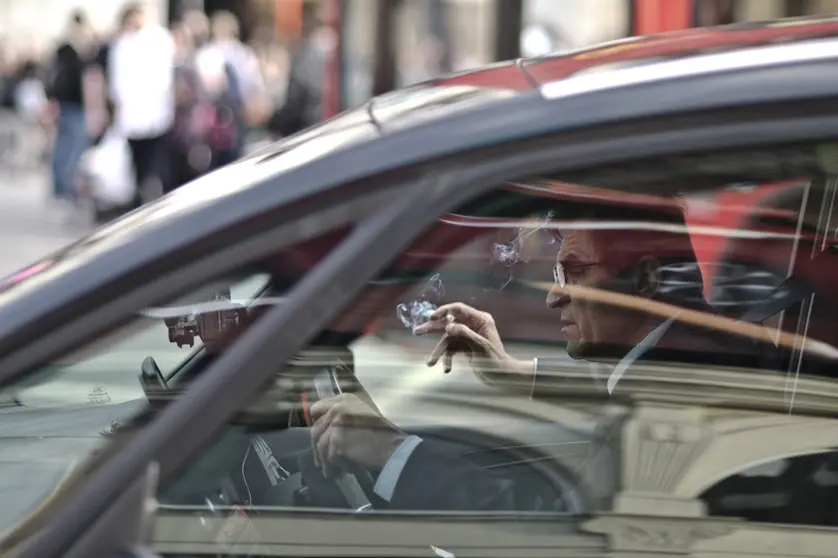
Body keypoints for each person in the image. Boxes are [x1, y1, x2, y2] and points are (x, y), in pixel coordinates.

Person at [307, 204, 783, 511]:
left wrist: (392, 452)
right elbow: (617, 395)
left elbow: (544, 518)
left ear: (645, 281)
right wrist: (518, 375)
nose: (555, 298)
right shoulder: (684, 352)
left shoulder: (683, 388)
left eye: (573, 272)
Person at [108, 3, 176, 200]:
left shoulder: (158, 39)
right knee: (138, 162)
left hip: (156, 113)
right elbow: (117, 85)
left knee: (155, 160)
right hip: (133, 115)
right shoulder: (122, 45)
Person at [46, 11, 94, 207]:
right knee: (68, 150)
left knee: (68, 149)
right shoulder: (69, 51)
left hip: (73, 106)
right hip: (70, 106)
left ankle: (64, 190)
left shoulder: (74, 51)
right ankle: (63, 190)